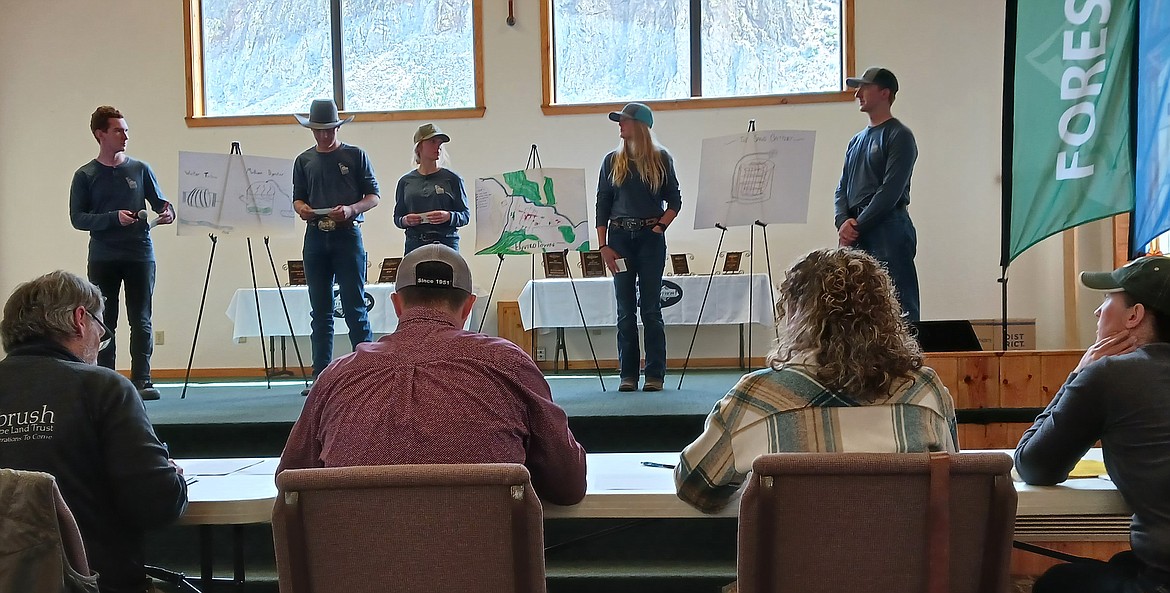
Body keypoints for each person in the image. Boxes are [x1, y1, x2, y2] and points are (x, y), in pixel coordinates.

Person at [278, 244, 587, 505]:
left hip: (357, 571)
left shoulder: (337, 375)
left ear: (397, 304)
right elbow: (567, 485)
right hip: (481, 573)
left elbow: (291, 481)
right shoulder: (508, 364)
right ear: (468, 307)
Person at [675, 248, 957, 513]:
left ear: (796, 313)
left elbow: (694, 486)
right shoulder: (924, 390)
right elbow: (954, 480)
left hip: (796, 564)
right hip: (905, 562)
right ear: (885, 313)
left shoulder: (758, 397)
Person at [0, 271, 188, 593]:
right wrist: (172, 475)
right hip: (89, 583)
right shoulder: (103, 388)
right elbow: (157, 504)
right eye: (102, 332)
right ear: (79, 319)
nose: (99, 346)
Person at [1015, 255, 1170, 593]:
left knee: (1057, 582)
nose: (1097, 312)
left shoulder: (1112, 375)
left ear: (1134, 315)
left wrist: (1078, 375)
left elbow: (1033, 464)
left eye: (1107, 298)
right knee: (1123, 564)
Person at [69, 106, 176, 401]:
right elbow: (78, 219)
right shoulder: (85, 175)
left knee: (141, 318)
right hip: (104, 256)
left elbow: (162, 204)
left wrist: (167, 212)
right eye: (118, 130)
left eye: (126, 130)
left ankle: (142, 379)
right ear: (100, 134)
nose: (125, 136)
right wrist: (112, 218)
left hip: (140, 254)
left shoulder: (140, 169)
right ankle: (107, 379)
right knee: (106, 320)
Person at [292, 99, 381, 395]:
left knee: (355, 306)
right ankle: (321, 376)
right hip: (316, 234)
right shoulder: (303, 161)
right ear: (312, 130)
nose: (324, 136)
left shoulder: (355, 156)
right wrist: (303, 208)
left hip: (348, 234)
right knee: (320, 309)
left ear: (337, 127)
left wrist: (352, 209)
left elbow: (373, 196)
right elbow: (298, 198)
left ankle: (366, 374)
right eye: (318, 131)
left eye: (329, 130)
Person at [595, 102, 682, 393]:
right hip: (619, 238)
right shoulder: (611, 161)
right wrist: (603, 245)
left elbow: (674, 200)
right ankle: (627, 374)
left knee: (651, 309)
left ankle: (655, 374)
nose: (620, 125)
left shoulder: (661, 159)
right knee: (624, 310)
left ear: (640, 126)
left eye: (625, 121)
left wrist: (659, 227)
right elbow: (602, 204)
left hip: (650, 239)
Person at [834, 67, 921, 321]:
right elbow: (842, 188)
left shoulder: (899, 136)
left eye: (865, 87)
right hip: (858, 232)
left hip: (888, 229)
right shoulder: (856, 141)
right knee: (857, 306)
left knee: (897, 302)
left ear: (885, 93)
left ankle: (906, 358)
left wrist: (856, 226)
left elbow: (890, 191)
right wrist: (843, 222)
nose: (857, 94)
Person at [393, 123, 470, 253]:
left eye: (440, 143)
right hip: (414, 244)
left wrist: (448, 216)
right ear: (419, 147)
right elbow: (397, 217)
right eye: (433, 142)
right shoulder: (405, 182)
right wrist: (405, 220)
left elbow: (465, 215)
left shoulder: (453, 179)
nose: (438, 147)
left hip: (446, 242)